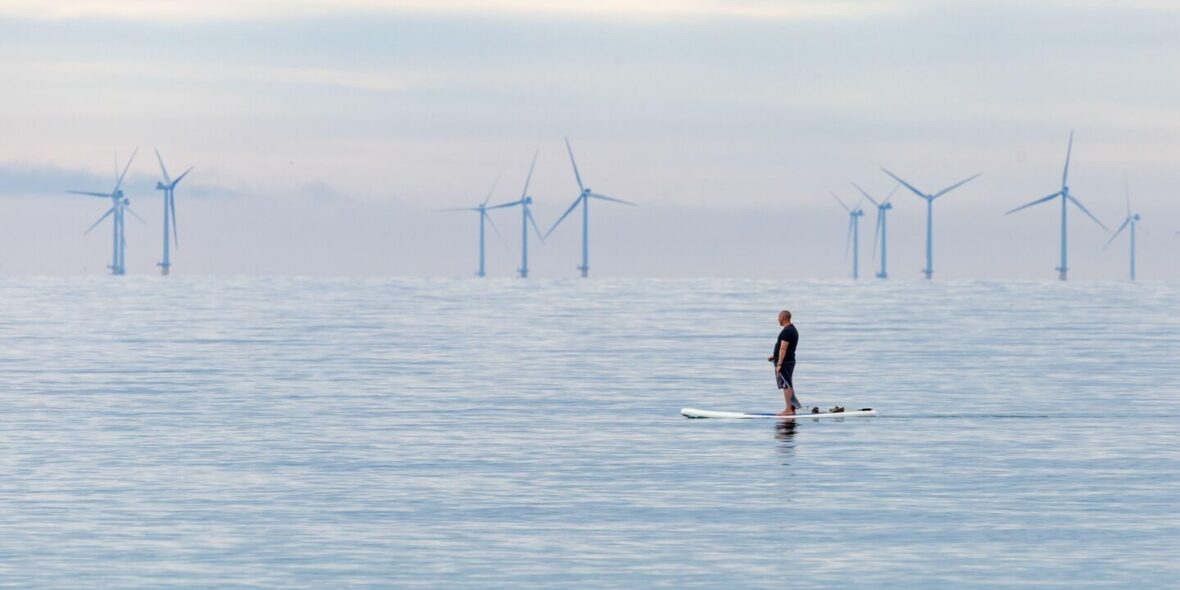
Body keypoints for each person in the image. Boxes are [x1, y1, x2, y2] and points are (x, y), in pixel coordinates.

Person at [768, 310, 802, 416]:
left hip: (785, 362)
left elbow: (783, 348)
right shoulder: (792, 330)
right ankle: (792, 409)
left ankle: (788, 410)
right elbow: (786, 348)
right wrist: (775, 356)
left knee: (786, 385)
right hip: (788, 360)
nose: (777, 319)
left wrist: (779, 364)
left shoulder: (787, 331)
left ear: (783, 317)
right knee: (788, 384)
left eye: (778, 317)